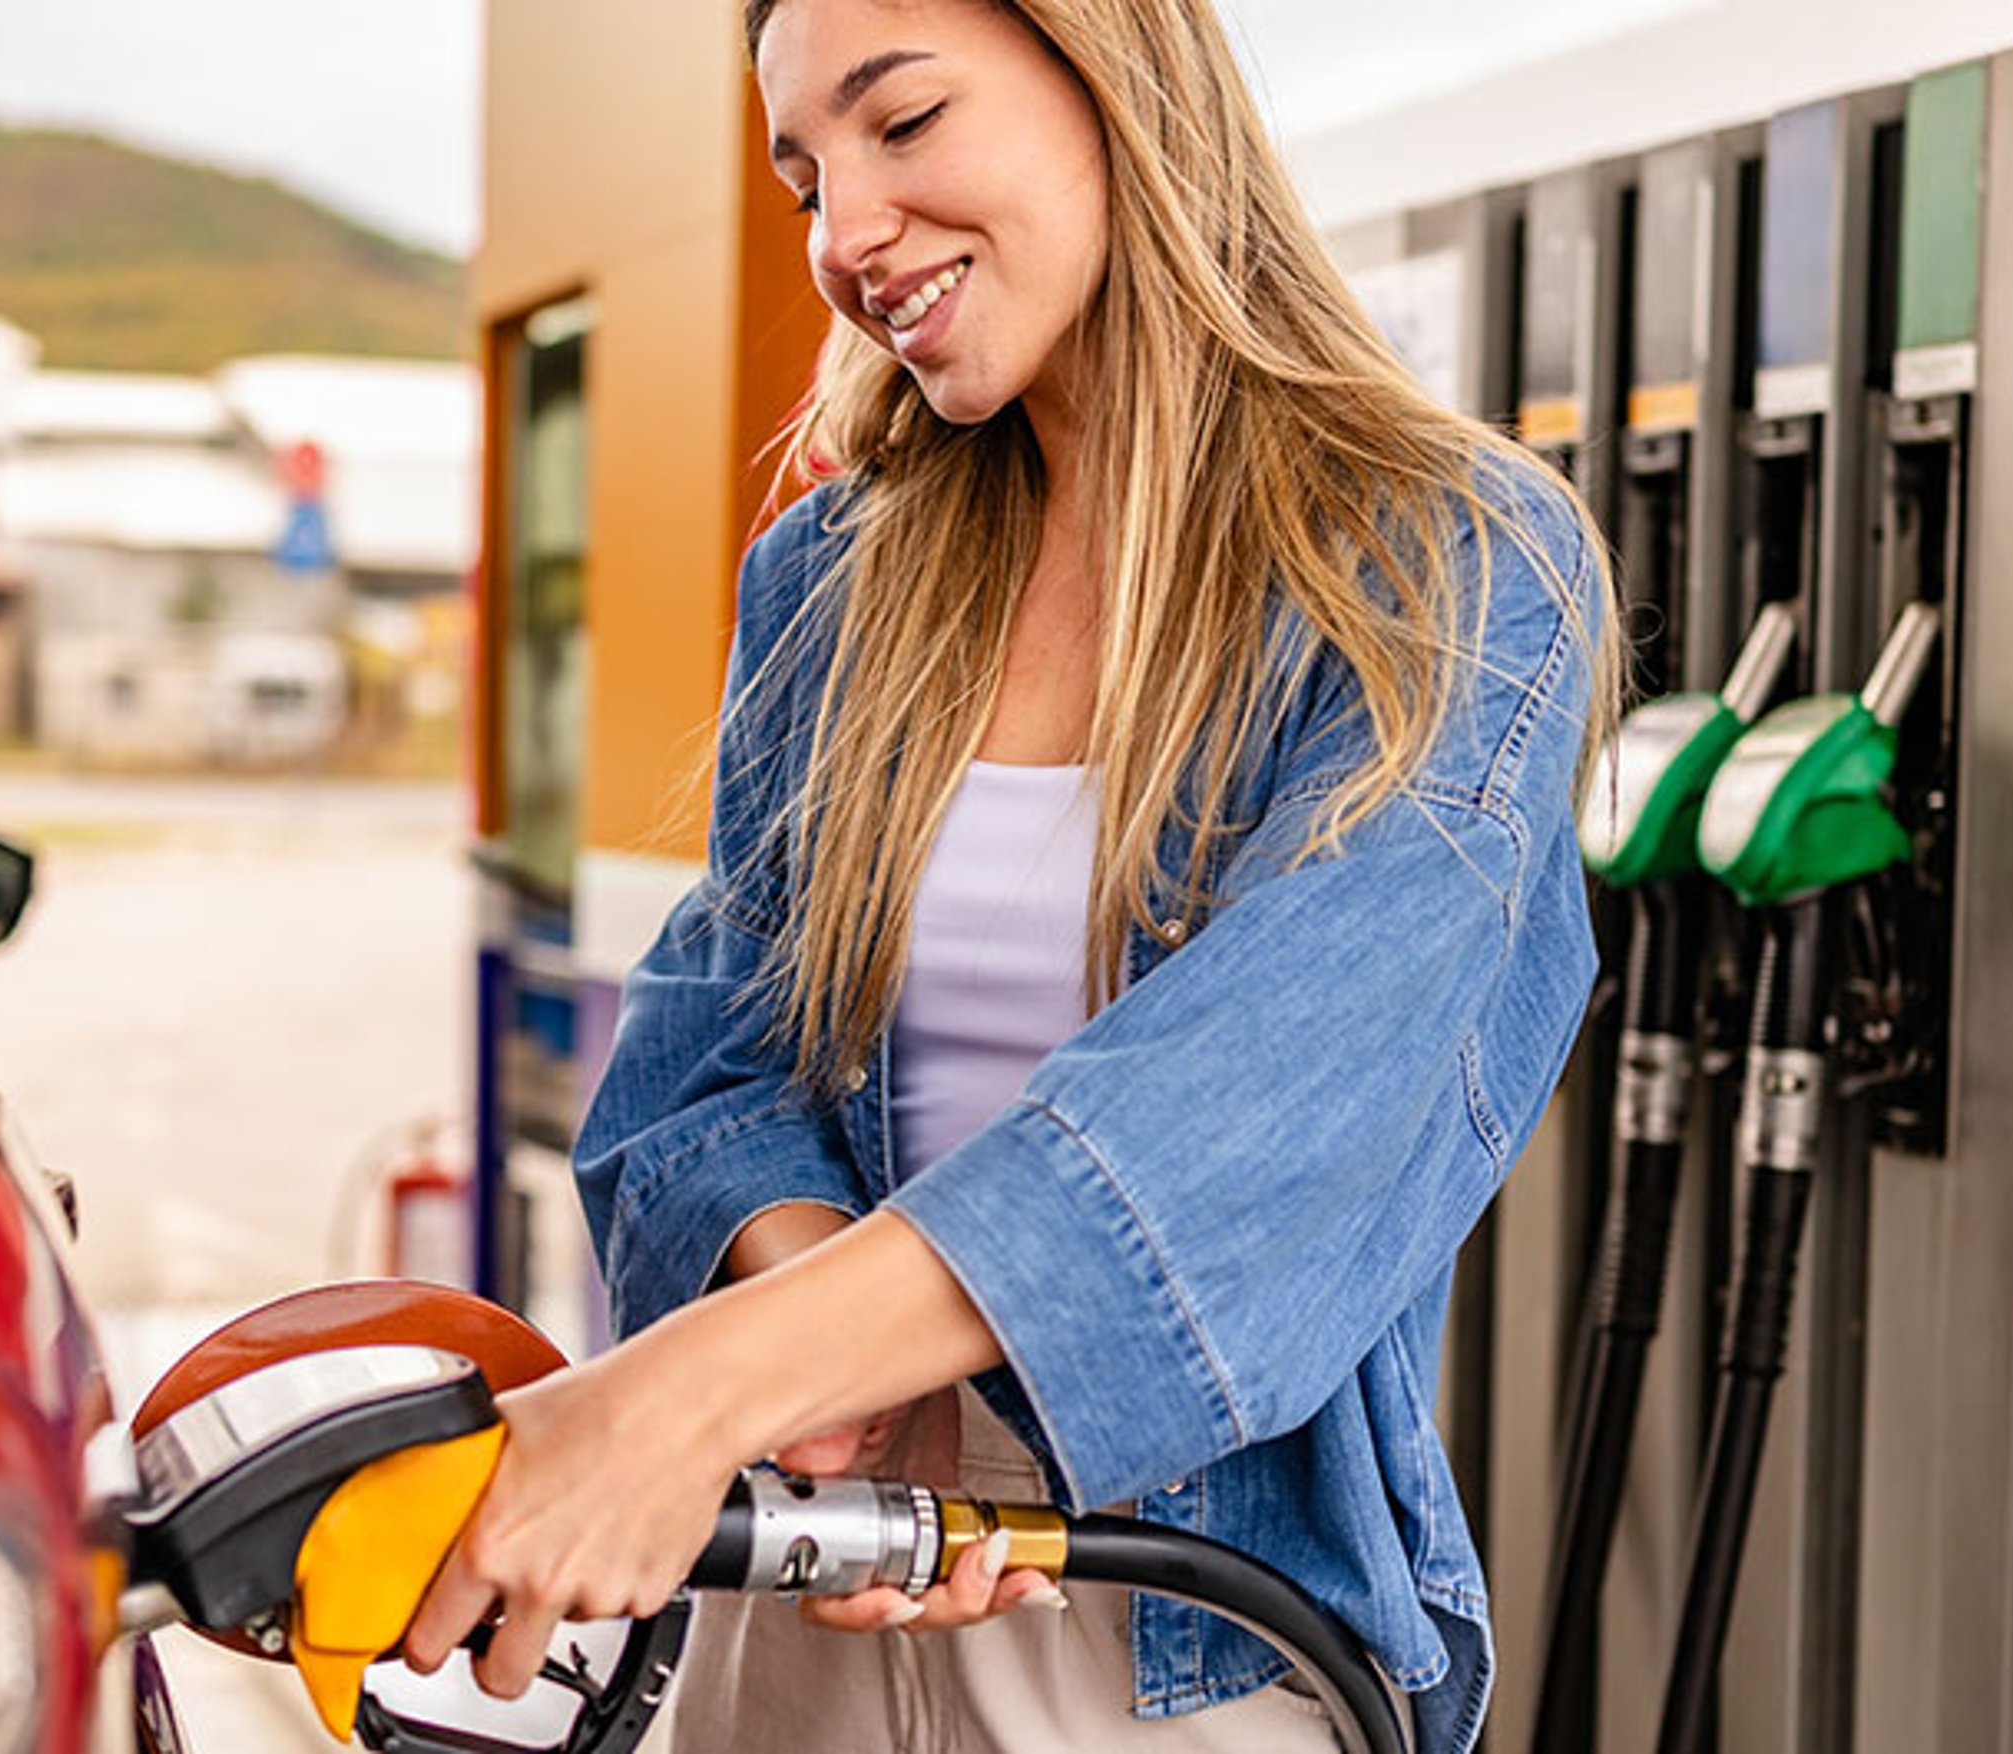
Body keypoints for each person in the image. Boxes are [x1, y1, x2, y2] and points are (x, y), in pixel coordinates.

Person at [395, 0, 1614, 1749]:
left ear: (1116, 77)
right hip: (813, 1576)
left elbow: (1258, 1108)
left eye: (903, 123)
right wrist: (844, 1373)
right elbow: (705, 1052)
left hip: (1175, 1631)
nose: (842, 238)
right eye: (805, 175)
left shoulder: (1448, 566)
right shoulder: (840, 572)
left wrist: (680, 1395)